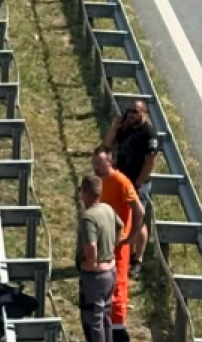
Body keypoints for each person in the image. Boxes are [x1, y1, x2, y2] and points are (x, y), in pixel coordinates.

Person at [92, 146, 144, 342]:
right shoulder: (98, 182)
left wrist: (130, 237)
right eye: (94, 163)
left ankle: (119, 328)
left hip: (118, 243)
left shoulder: (121, 182)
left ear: (110, 161)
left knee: (118, 284)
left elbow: (139, 210)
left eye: (99, 162)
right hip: (103, 242)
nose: (96, 166)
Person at [102, 100, 158, 278]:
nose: (131, 115)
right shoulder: (124, 127)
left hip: (137, 182)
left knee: (138, 219)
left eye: (135, 112)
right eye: (129, 111)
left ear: (144, 113)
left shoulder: (149, 133)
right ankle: (122, 250)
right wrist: (115, 126)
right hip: (121, 179)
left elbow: (149, 162)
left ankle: (137, 258)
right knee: (120, 216)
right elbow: (107, 146)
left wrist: (138, 184)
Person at [77, 174, 122, 342]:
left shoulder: (88, 217)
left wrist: (90, 264)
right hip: (110, 272)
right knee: (105, 316)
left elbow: (91, 246)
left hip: (95, 276)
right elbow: (120, 227)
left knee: (93, 320)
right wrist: (111, 247)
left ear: (86, 192)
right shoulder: (108, 209)